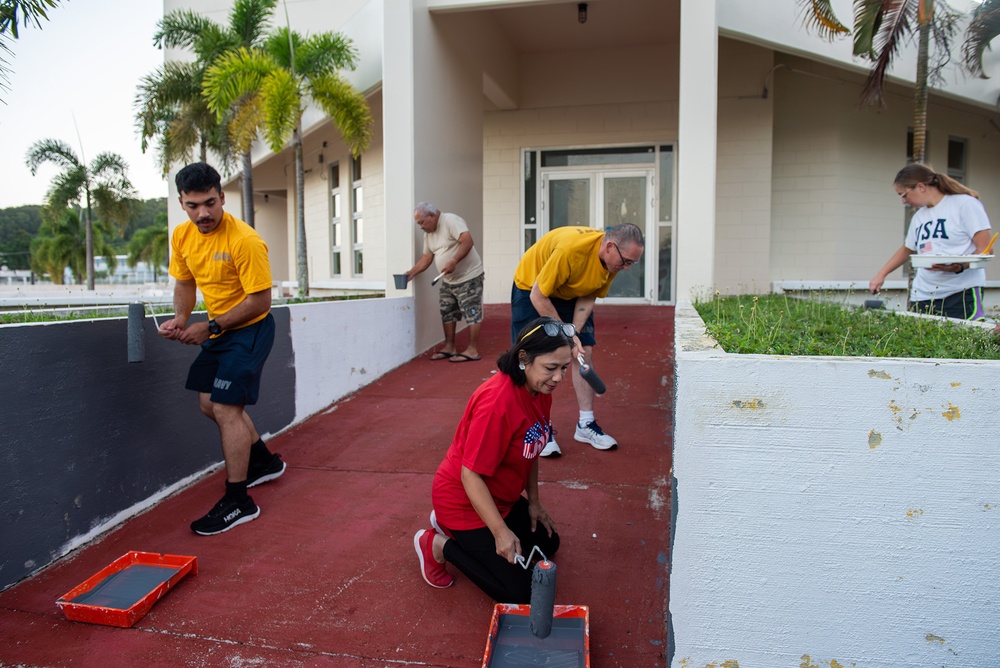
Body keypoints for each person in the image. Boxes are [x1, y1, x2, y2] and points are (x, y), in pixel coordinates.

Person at [159, 162, 285, 536]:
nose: (204, 213)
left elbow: (261, 301)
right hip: (218, 330)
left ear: (222, 197)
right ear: (182, 202)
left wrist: (209, 327)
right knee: (207, 403)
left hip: (249, 329)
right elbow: (184, 282)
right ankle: (262, 461)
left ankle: (239, 499)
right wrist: (182, 319)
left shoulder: (244, 240)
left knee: (227, 406)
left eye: (210, 203)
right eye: (193, 205)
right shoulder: (183, 236)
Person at [413, 317, 571, 601]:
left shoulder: (539, 389)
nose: (558, 378)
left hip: (503, 499)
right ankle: (438, 544)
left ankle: (463, 532)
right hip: (463, 501)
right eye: (551, 368)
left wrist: (534, 501)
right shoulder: (497, 403)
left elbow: (531, 446)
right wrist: (500, 532)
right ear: (524, 358)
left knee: (549, 543)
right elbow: (470, 475)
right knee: (521, 594)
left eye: (564, 368)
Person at [511, 223, 644, 457]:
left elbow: (589, 294)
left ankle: (585, 424)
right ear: (610, 247)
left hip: (571, 292)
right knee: (538, 356)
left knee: (583, 352)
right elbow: (538, 295)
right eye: (626, 262)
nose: (627, 268)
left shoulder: (611, 262)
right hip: (533, 288)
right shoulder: (571, 251)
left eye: (632, 263)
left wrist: (573, 335)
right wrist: (565, 333)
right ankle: (538, 426)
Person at [870, 163, 993, 320]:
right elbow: (908, 249)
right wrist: (881, 275)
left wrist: (960, 266)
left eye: (904, 195)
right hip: (922, 295)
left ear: (921, 187)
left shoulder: (965, 204)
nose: (904, 201)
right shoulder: (919, 216)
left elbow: (985, 249)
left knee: (960, 341)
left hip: (960, 293)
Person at [405, 202, 485, 363]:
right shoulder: (428, 234)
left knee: (472, 311)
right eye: (418, 223)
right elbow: (427, 257)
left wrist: (454, 260)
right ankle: (449, 347)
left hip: (469, 276)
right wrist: (412, 272)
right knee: (447, 311)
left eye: (421, 222)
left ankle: (472, 350)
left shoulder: (450, 221)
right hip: (448, 279)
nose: (420, 226)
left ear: (432, 216)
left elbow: (467, 241)